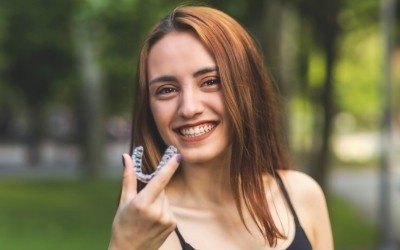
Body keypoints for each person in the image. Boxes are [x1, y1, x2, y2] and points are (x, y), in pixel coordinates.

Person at [109, 5, 333, 250]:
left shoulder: (303, 195)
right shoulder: (151, 228)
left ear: (249, 87)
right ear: (148, 109)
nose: (189, 108)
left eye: (211, 81)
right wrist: (125, 245)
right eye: (167, 90)